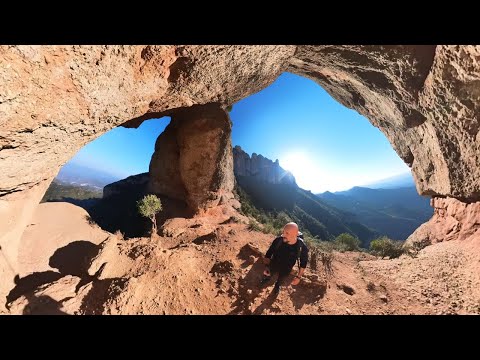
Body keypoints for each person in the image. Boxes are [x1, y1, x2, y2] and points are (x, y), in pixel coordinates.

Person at [260, 222, 309, 295]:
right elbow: (269, 253)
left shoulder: (301, 247)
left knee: (281, 278)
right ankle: (267, 278)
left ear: (295, 235)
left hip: (287, 268)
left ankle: (277, 285)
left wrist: (298, 277)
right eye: (283, 232)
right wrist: (267, 267)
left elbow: (303, 263)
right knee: (270, 273)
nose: (283, 235)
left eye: (287, 233)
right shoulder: (278, 240)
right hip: (274, 263)